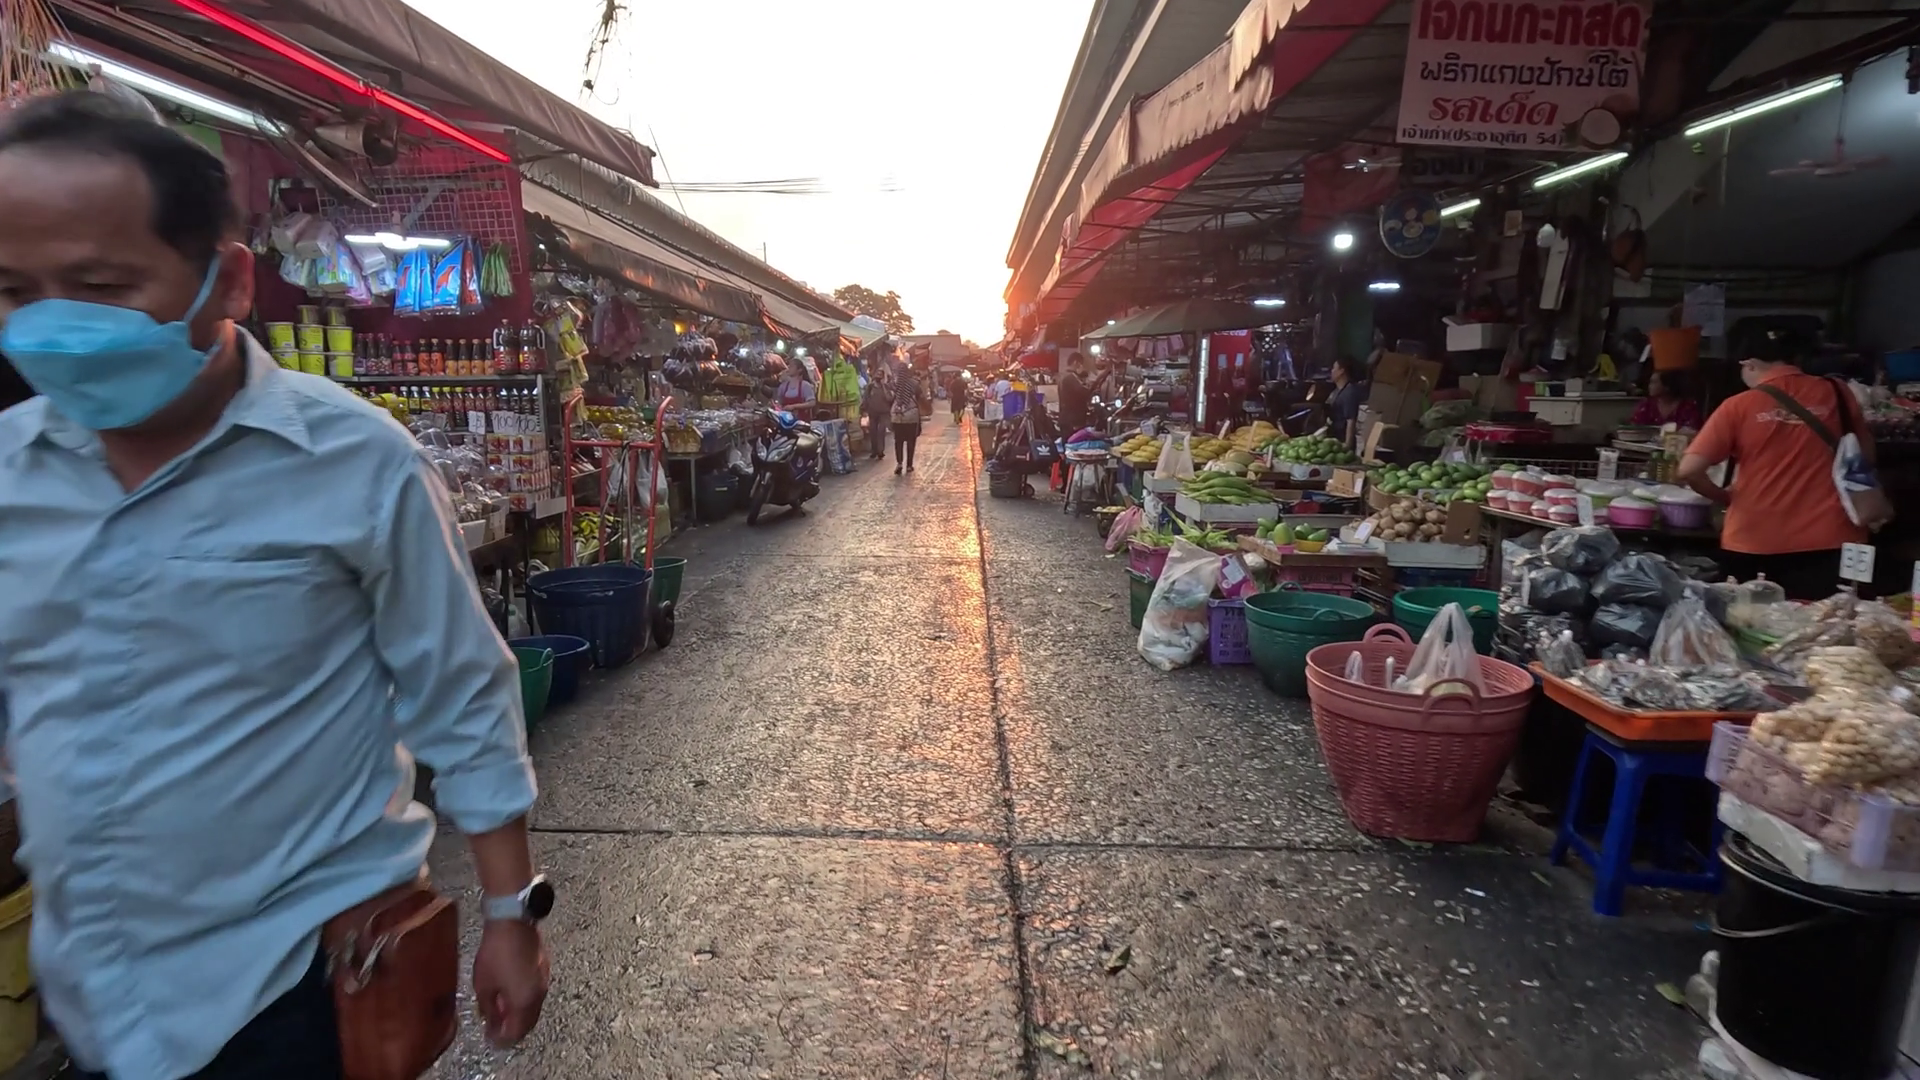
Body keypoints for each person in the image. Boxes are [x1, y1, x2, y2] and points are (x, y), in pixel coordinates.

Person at [0, 93, 550, 1080]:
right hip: (88, 989)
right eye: (14, 289)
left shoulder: (355, 465)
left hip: (294, 985)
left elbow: (462, 691)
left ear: (230, 283)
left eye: (101, 285)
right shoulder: (8, 476)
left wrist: (510, 913)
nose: (53, 327)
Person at [1677, 329, 1875, 600]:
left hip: (1754, 539)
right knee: (1825, 629)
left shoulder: (1738, 405)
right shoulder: (1838, 393)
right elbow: (1865, 456)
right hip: (1831, 537)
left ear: (1749, 365)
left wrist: (1724, 496)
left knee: (1750, 628)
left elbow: (1688, 470)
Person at [1629, 368, 1703, 430]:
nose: (1649, 386)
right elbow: (1635, 426)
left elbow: (1694, 430)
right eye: (1650, 382)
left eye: (1654, 382)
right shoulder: (1646, 405)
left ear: (1667, 386)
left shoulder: (1687, 407)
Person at [890, 356, 925, 474]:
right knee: (911, 441)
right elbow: (920, 397)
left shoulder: (894, 384)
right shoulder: (914, 384)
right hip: (911, 415)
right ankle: (909, 465)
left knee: (898, 441)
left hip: (897, 416)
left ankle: (899, 463)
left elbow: (889, 398)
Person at [1325, 354, 1368, 447]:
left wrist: (1347, 444)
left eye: (1334, 368)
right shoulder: (1336, 391)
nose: (1331, 371)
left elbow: (1351, 420)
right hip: (1333, 436)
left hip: (1341, 439)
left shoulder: (1349, 393)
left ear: (1341, 371)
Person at [862, 360, 893, 460]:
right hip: (873, 413)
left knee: (881, 431)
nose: (879, 375)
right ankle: (874, 450)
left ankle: (880, 451)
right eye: (877, 373)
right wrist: (864, 410)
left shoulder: (886, 387)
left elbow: (889, 398)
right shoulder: (870, 387)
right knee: (873, 432)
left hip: (884, 413)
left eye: (881, 374)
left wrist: (884, 388)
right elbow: (865, 399)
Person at [1057, 351, 1091, 435]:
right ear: (1076, 363)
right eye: (1081, 364)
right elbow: (1084, 392)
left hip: (1066, 417)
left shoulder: (1062, 376)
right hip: (1073, 419)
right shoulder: (1071, 377)